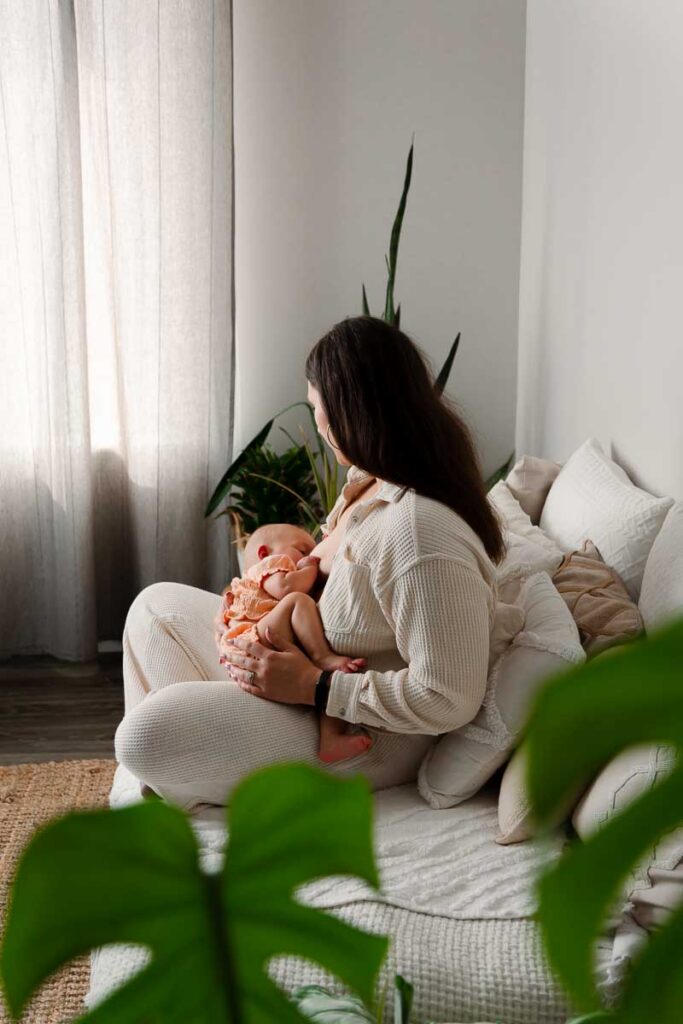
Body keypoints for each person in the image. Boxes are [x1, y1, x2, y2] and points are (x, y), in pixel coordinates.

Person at [114, 315, 506, 812]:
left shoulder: (419, 532)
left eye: (317, 406)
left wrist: (315, 685)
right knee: (154, 608)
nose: (317, 423)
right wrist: (243, 623)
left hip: (361, 731)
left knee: (142, 737)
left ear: (348, 412)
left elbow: (449, 696)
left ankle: (194, 756)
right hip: (302, 679)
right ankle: (204, 754)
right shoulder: (370, 483)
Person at [214, 522, 372, 763]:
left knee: (333, 681)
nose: (310, 555)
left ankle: (331, 739)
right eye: (302, 550)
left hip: (267, 640)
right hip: (255, 637)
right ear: (264, 553)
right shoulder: (268, 567)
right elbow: (287, 588)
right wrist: (309, 567)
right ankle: (322, 656)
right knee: (297, 600)